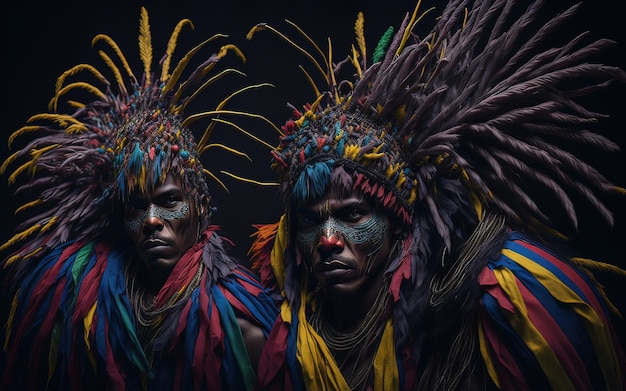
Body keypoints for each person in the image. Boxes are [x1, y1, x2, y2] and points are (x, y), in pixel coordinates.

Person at [246, 0, 626, 389]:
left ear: (398, 222)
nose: (327, 240)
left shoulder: (488, 300)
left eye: (353, 214)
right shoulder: (282, 329)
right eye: (310, 221)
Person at [0, 7, 278, 390]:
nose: (150, 220)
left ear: (198, 205)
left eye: (168, 202)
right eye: (135, 207)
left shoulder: (241, 330)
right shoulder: (79, 305)